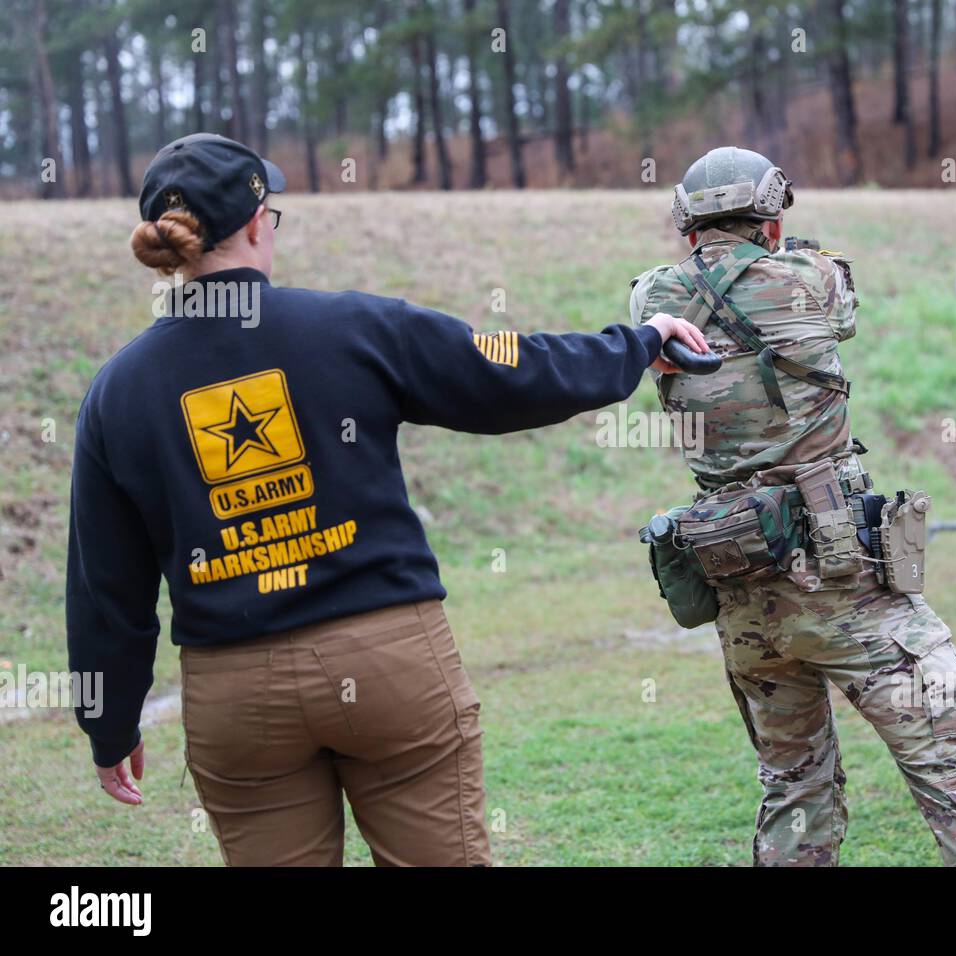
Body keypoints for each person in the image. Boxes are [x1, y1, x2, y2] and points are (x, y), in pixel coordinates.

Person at [66, 132, 707, 866]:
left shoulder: (116, 391)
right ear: (253, 224)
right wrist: (636, 342)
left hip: (237, 696)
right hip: (389, 667)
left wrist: (108, 722)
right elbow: (508, 372)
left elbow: (104, 588)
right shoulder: (351, 326)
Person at [628, 146, 956, 866]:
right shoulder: (813, 276)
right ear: (772, 221)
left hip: (743, 587)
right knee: (953, 779)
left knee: (794, 789)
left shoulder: (649, 299)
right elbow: (840, 309)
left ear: (687, 226)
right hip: (845, 579)